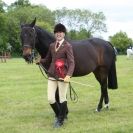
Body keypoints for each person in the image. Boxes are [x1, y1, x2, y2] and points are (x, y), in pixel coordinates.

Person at [37, 23, 75, 128]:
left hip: (63, 75)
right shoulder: (51, 46)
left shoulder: (68, 46)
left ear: (64, 34)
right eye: (57, 32)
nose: (58, 34)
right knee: (50, 98)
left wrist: (69, 75)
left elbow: (72, 62)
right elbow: (48, 59)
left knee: (62, 98)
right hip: (52, 74)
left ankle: (60, 120)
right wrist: (40, 61)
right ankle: (60, 115)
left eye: (61, 32)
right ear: (55, 34)